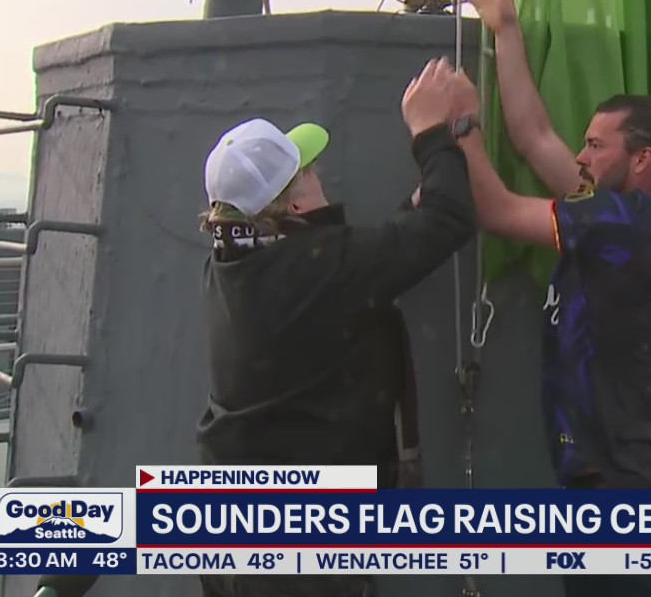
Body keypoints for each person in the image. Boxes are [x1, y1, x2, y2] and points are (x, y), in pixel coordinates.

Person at [453, 0, 651, 597]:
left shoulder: (625, 224)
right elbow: (534, 138)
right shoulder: (615, 215)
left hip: (621, 501)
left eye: (595, 146)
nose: (582, 158)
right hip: (606, 489)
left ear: (641, 159)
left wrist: (455, 130)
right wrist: (505, 30)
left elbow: (498, 209)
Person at [194, 58, 476, 597]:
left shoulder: (228, 262)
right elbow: (450, 221)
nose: (320, 174)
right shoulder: (324, 270)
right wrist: (431, 134)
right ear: (296, 200)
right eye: (308, 169)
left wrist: (405, 219)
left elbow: (339, 274)